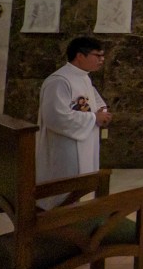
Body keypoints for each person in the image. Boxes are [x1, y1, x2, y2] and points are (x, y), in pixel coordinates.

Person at [36, 37, 112, 205]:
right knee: (63, 192)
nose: (101, 60)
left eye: (102, 56)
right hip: (65, 148)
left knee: (80, 189)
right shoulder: (59, 81)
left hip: (84, 143)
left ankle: (76, 219)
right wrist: (94, 118)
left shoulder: (84, 77)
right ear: (80, 56)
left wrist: (102, 113)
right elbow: (56, 117)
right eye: (97, 55)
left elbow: (96, 103)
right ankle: (59, 222)